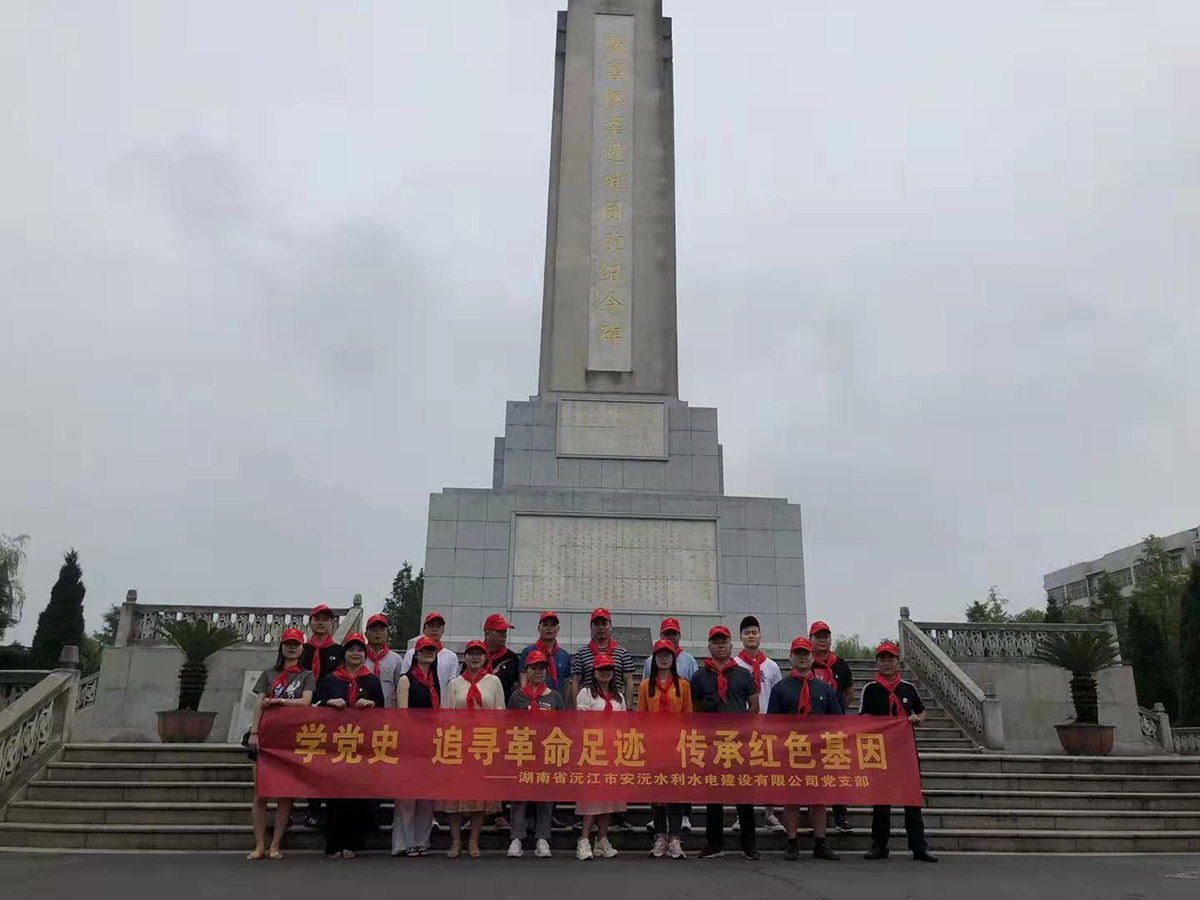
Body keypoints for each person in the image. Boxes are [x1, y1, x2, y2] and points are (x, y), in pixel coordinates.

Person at [859, 641, 938, 863]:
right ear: (877, 663)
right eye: (882, 659)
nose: (887, 663)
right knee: (881, 801)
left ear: (897, 661)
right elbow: (863, 718)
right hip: (881, 752)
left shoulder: (908, 688)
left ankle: (918, 847)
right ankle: (879, 846)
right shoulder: (870, 689)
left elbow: (922, 711)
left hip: (906, 752)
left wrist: (917, 719)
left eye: (891, 659)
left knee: (912, 801)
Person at [767, 637, 841, 861]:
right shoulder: (780, 688)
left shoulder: (825, 689)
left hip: (818, 753)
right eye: (798, 653)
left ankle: (820, 842)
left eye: (806, 654)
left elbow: (838, 721)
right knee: (791, 800)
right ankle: (792, 842)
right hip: (791, 752)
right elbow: (772, 723)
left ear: (812, 657)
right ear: (791, 657)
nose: (802, 658)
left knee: (819, 801)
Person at [313, 632, 384, 859]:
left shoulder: (372, 681)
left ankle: (352, 843)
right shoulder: (330, 679)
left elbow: (383, 712)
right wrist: (328, 702)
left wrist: (371, 703)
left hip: (362, 745)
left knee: (357, 796)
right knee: (335, 796)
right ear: (344, 654)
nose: (356, 654)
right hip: (336, 745)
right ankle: (334, 844)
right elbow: (315, 706)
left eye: (360, 650)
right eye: (351, 650)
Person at [690, 625, 759, 860]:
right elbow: (694, 708)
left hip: (738, 745)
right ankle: (715, 844)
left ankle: (749, 845)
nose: (720, 646)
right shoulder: (699, 677)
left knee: (744, 795)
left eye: (724, 642)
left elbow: (754, 704)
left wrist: (743, 729)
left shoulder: (743, 674)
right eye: (716, 642)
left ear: (731, 645)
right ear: (709, 646)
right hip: (712, 745)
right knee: (713, 796)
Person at [247, 627, 314, 860]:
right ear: (282, 647)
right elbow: (259, 703)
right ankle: (259, 845)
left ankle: (275, 845)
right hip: (267, 736)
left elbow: (306, 702)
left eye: (296, 644)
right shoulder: (268, 673)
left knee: (285, 794)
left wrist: (279, 701)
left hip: (291, 738)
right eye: (288, 644)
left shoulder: (306, 675)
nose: (292, 648)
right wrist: (254, 732)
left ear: (302, 648)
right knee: (260, 793)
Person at [441, 640, 505, 858]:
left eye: (479, 654)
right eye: (471, 654)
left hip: (483, 744)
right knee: (455, 796)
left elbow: (500, 712)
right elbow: (446, 715)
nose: (475, 657)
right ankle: (455, 840)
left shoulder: (493, 681)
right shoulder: (454, 684)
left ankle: (473, 840)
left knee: (480, 796)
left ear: (485, 658)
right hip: (459, 744)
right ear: (465, 657)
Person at [506, 649, 565, 858]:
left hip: (547, 755)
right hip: (522, 754)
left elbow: (563, 727)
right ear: (527, 671)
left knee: (545, 798)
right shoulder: (517, 697)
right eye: (534, 668)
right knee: (519, 798)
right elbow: (508, 726)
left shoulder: (554, 697)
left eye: (541, 668)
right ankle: (516, 838)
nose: (538, 672)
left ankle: (542, 838)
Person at [638, 638, 692, 859]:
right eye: (659, 654)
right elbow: (641, 717)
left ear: (673, 658)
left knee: (675, 793)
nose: (663, 658)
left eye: (667, 654)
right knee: (657, 794)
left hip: (675, 747)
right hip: (654, 747)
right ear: (654, 659)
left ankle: (675, 839)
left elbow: (688, 716)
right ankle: (660, 837)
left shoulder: (683, 685)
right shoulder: (645, 686)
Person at [392, 635, 442, 857]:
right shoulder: (406, 680)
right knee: (407, 797)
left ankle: (422, 840)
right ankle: (404, 842)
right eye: (424, 650)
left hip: (431, 745)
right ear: (416, 654)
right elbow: (402, 715)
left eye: (431, 650)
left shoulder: (435, 682)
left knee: (426, 797)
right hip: (411, 745)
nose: (428, 653)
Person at [734, 615, 784, 833]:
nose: (751, 636)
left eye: (754, 632)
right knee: (743, 771)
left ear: (760, 635)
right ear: (741, 637)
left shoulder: (771, 666)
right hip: (743, 727)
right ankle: (741, 815)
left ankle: (770, 813)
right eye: (746, 633)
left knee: (768, 771)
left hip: (767, 726)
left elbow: (779, 694)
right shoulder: (735, 665)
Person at [574, 652, 626, 860]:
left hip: (613, 753)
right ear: (594, 672)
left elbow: (623, 724)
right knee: (592, 797)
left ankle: (602, 839)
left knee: (609, 798)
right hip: (593, 751)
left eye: (609, 670)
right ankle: (584, 839)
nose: (605, 673)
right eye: (601, 669)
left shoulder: (619, 697)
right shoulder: (586, 693)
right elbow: (581, 721)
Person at [299, 604, 342, 828]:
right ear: (310, 622)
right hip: (302, 712)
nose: (321, 623)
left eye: (326, 619)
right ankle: (306, 808)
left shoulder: (339, 651)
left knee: (326, 762)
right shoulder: (300, 649)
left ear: (333, 624)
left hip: (330, 712)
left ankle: (324, 809)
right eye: (317, 619)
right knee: (307, 762)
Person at [809, 620, 855, 833]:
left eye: (825, 636)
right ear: (810, 639)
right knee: (812, 769)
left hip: (836, 728)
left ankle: (840, 815)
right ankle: (813, 812)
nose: (822, 640)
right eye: (818, 636)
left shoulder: (841, 665)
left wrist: (838, 711)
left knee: (837, 770)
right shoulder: (806, 662)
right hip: (811, 728)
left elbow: (849, 692)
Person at [570, 607, 634, 709]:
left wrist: (628, 707)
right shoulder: (581, 653)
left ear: (610, 626)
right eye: (597, 624)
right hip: (589, 706)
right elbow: (576, 681)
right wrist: (577, 707)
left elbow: (629, 681)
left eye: (604, 624)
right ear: (591, 627)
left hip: (615, 704)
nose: (601, 627)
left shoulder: (622, 653)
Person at [401, 612, 460, 690]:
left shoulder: (451, 657)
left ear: (443, 630)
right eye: (431, 625)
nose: (434, 629)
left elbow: (453, 686)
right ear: (423, 630)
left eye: (438, 626)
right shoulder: (411, 653)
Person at [518, 611, 571, 696]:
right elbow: (523, 680)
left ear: (558, 628)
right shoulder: (528, 652)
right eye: (545, 625)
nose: (549, 628)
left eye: (553, 625)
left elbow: (567, 684)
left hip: (558, 701)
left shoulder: (564, 655)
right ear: (538, 628)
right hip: (534, 699)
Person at [364, 613, 404, 708]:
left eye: (382, 629)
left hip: (388, 710)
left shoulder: (396, 659)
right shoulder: (360, 657)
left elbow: (399, 689)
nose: (378, 633)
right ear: (366, 634)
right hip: (363, 709)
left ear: (387, 634)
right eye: (374, 630)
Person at [641, 617, 698, 681]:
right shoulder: (650, 661)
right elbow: (646, 684)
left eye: (673, 633)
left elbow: (695, 684)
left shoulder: (689, 661)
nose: (670, 637)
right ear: (661, 636)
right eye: (667, 633)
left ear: (679, 636)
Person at [482, 613, 521, 702]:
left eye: (505, 631)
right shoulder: (475, 656)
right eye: (500, 631)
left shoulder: (512, 658)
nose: (504, 635)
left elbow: (517, 687)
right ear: (487, 634)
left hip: (504, 707)